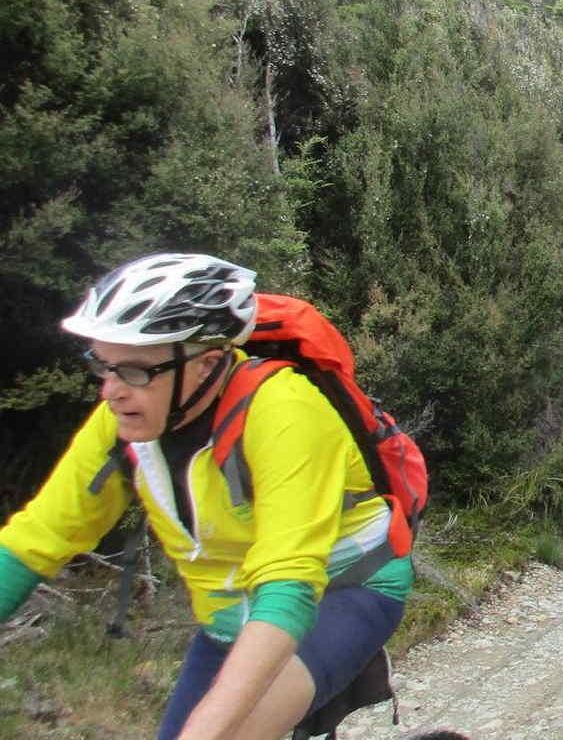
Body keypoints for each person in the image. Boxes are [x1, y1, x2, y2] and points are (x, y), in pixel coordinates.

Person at [0, 253, 413, 740]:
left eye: (134, 371)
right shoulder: (121, 422)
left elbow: (289, 583)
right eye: (102, 366)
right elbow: (37, 538)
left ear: (208, 364)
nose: (110, 391)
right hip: (229, 617)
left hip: (342, 590)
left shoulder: (286, 411)